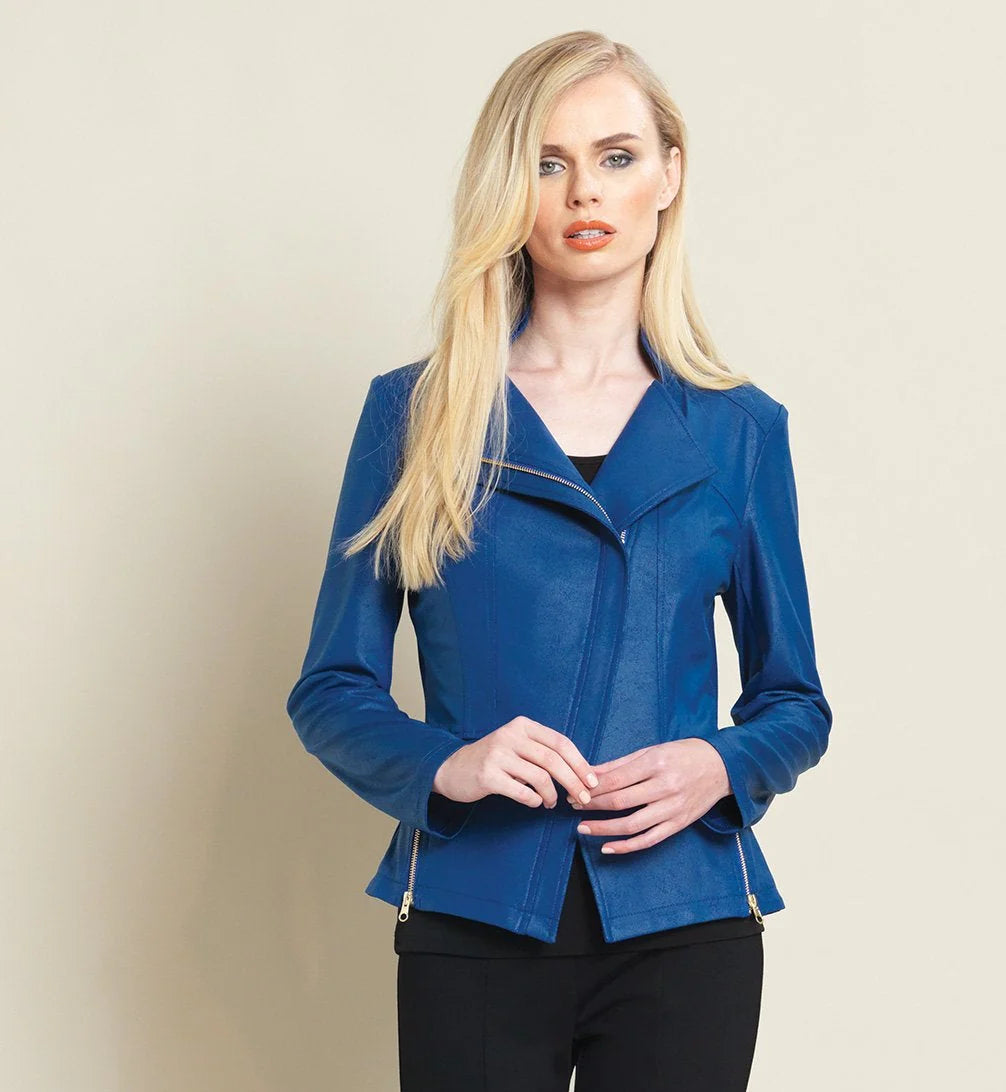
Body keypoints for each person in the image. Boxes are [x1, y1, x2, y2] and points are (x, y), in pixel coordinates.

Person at [286, 29, 833, 1092]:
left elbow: (795, 702)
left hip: (685, 923)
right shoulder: (415, 414)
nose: (585, 190)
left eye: (617, 157)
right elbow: (331, 689)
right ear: (508, 187)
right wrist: (447, 765)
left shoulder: (739, 431)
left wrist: (720, 766)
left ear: (669, 175)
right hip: (477, 915)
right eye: (547, 162)